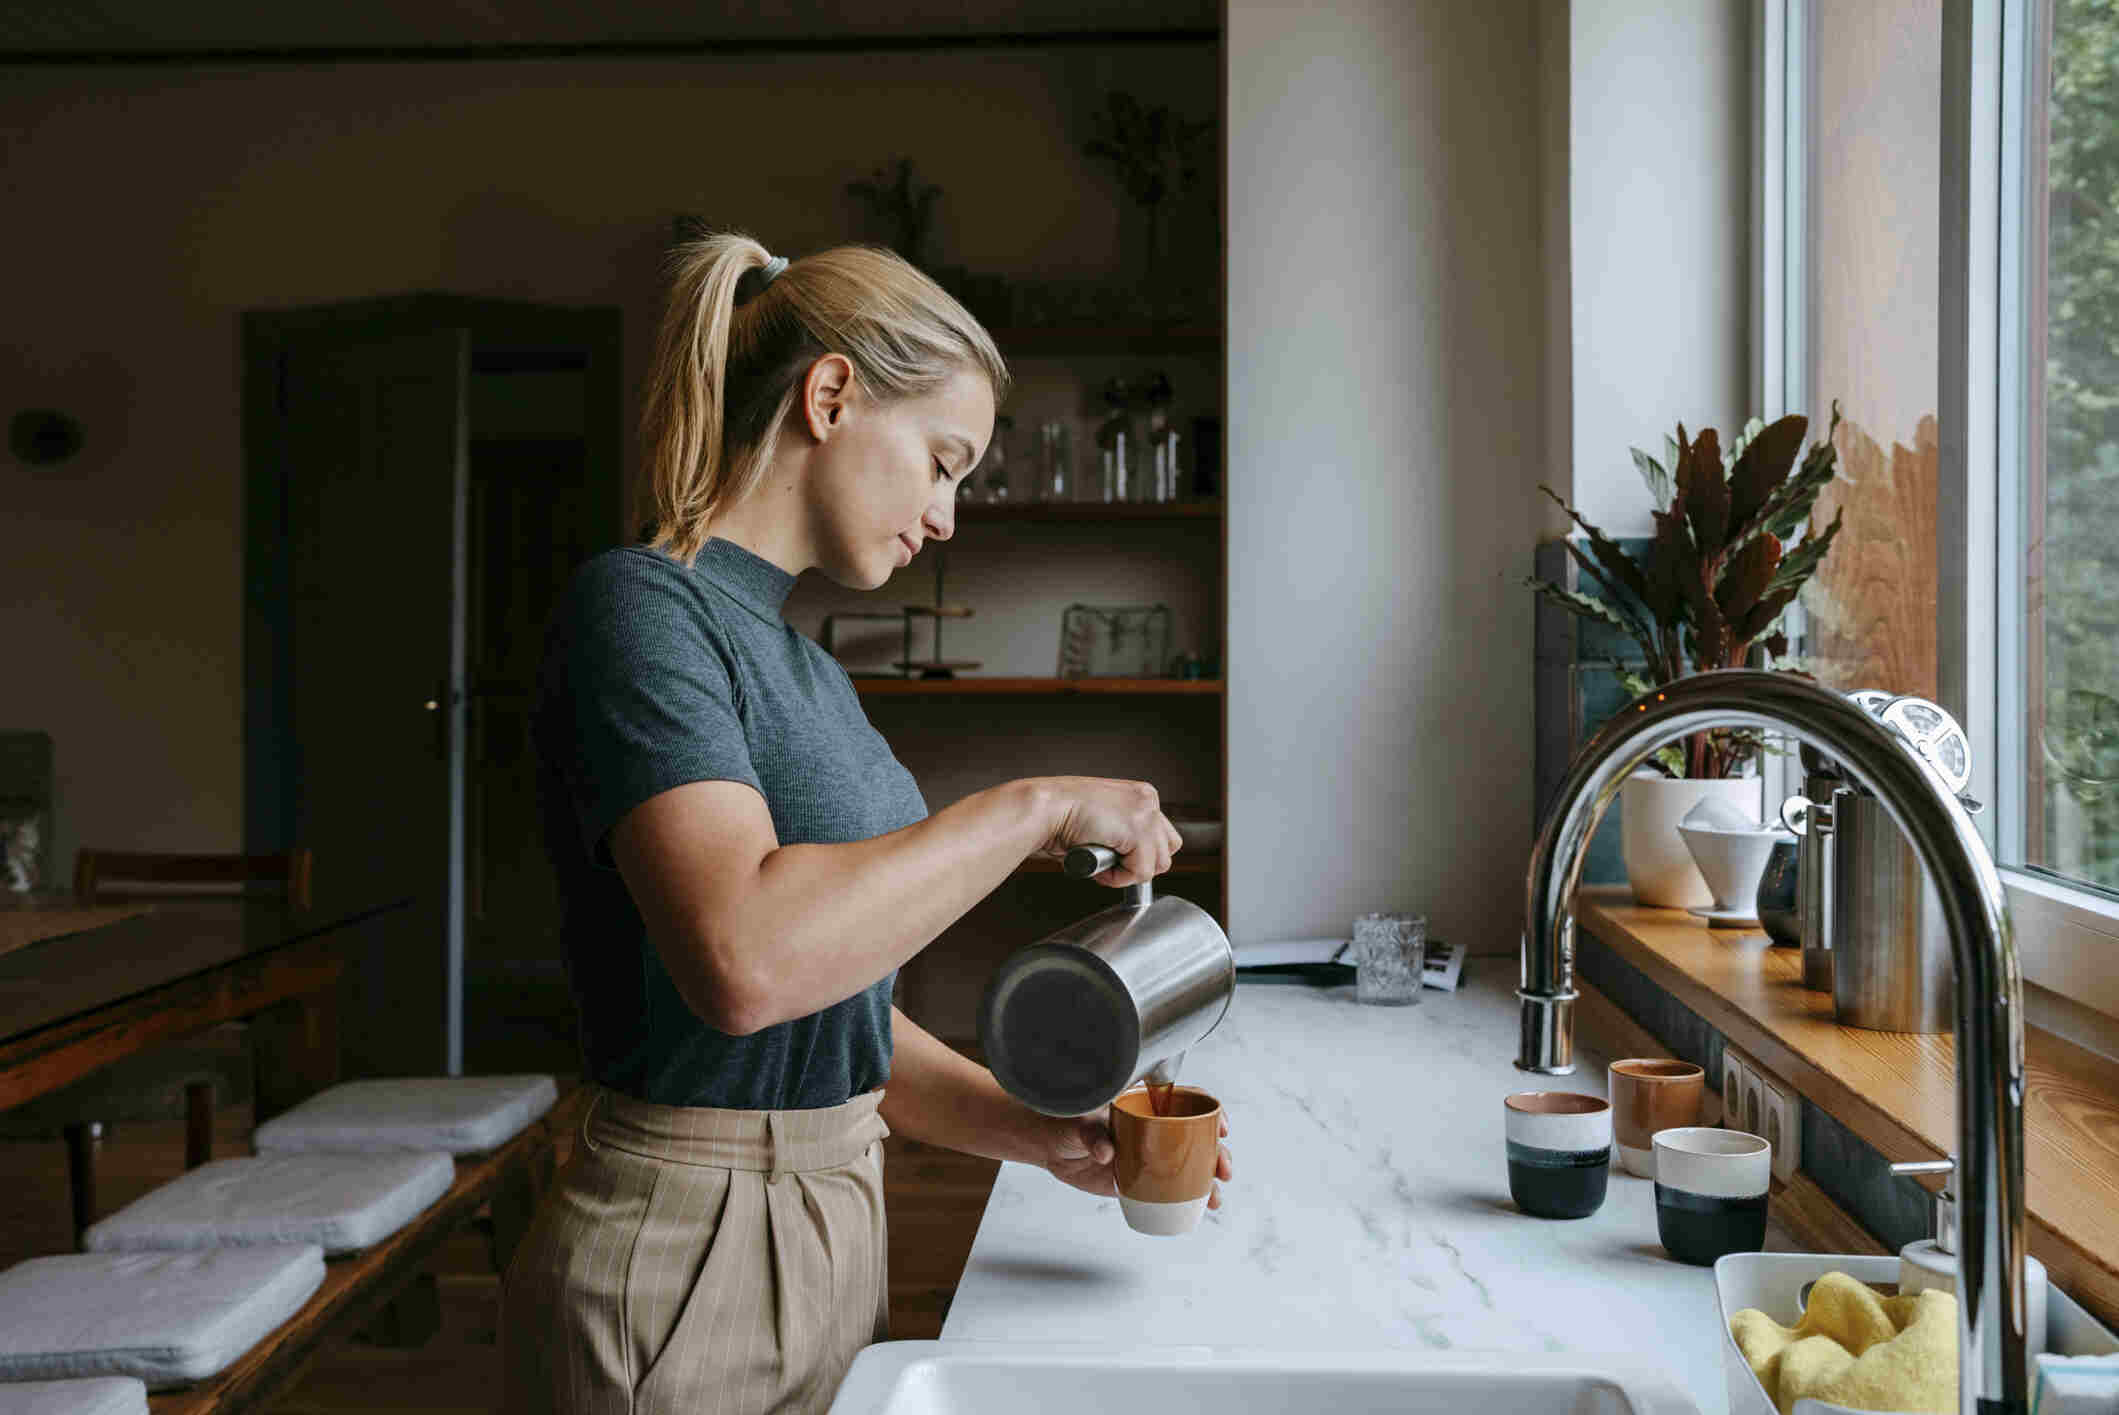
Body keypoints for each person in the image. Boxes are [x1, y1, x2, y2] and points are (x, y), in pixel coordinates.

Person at [501, 233, 1234, 1415]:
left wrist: (1039, 1131)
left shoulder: (809, 669)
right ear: (831, 394)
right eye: (943, 462)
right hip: (684, 1242)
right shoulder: (639, 609)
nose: (946, 517)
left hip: (837, 1209)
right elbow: (747, 963)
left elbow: (844, 1025)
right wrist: (1032, 805)